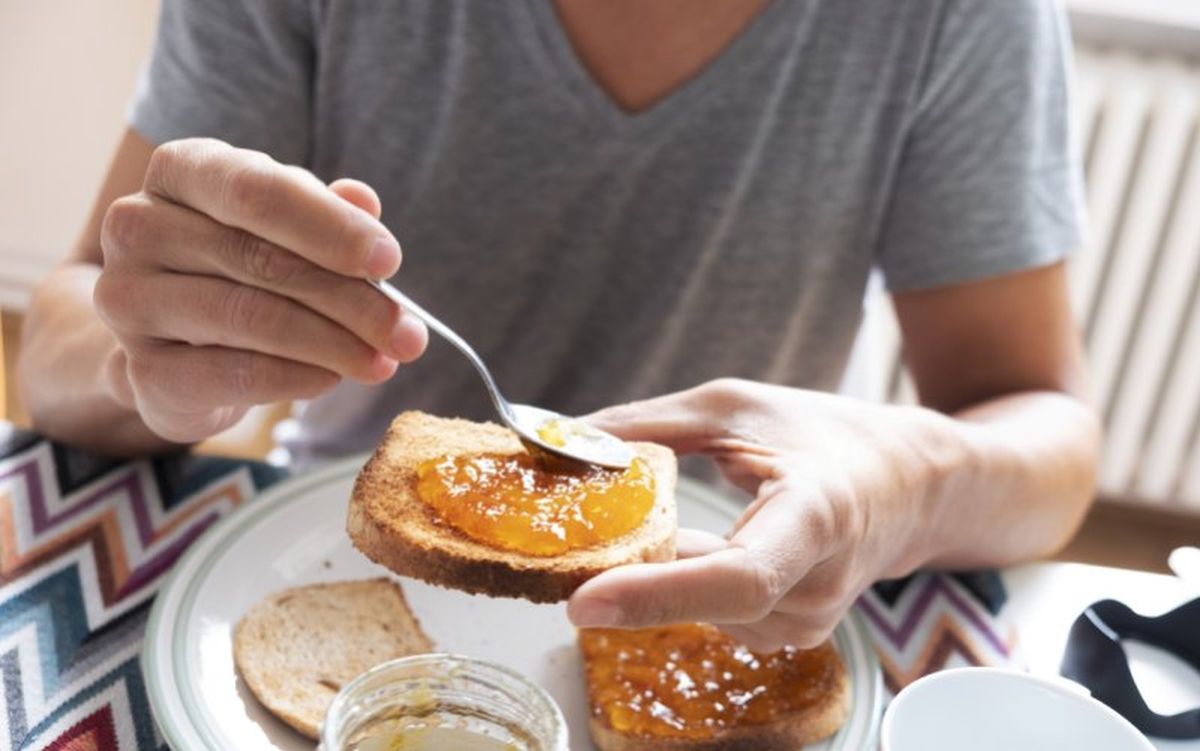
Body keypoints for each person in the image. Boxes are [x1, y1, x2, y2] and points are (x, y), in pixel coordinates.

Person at [17, 0, 1099, 651]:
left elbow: (1046, 439)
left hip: (725, 606)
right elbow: (64, 333)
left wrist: (899, 480)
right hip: (341, 577)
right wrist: (143, 361)